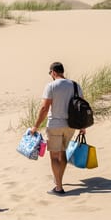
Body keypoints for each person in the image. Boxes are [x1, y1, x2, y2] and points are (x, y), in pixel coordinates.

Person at [29, 61, 83, 196]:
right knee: (63, 153)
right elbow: (80, 107)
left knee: (54, 157)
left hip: (54, 125)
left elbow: (44, 108)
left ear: (53, 72)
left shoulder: (51, 86)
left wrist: (36, 126)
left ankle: (58, 187)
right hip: (70, 125)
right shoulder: (76, 85)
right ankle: (59, 180)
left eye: (50, 73)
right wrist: (82, 126)